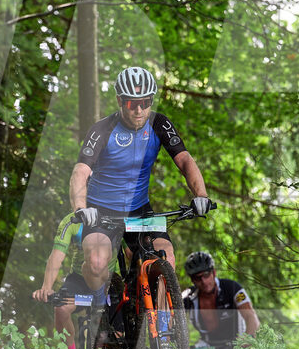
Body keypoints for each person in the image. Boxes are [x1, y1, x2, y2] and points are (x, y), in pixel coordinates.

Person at [70, 66, 211, 288]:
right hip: (100, 211)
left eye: (145, 102)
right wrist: (81, 208)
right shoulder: (102, 129)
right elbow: (80, 171)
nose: (139, 110)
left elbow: (185, 160)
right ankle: (98, 295)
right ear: (120, 100)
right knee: (97, 264)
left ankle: (161, 310)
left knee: (166, 257)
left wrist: (201, 195)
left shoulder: (159, 124)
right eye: (131, 103)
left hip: (139, 209)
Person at [32, 211, 105, 349]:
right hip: (79, 278)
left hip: (108, 278)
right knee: (61, 308)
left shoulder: (119, 211)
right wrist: (46, 287)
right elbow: (57, 255)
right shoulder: (72, 220)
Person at [181, 251, 260, 349]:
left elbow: (251, 316)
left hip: (235, 344)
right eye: (197, 278)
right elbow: (170, 317)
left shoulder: (232, 288)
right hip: (208, 345)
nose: (204, 281)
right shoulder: (189, 296)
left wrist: (248, 338)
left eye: (206, 275)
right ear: (192, 279)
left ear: (213, 272)